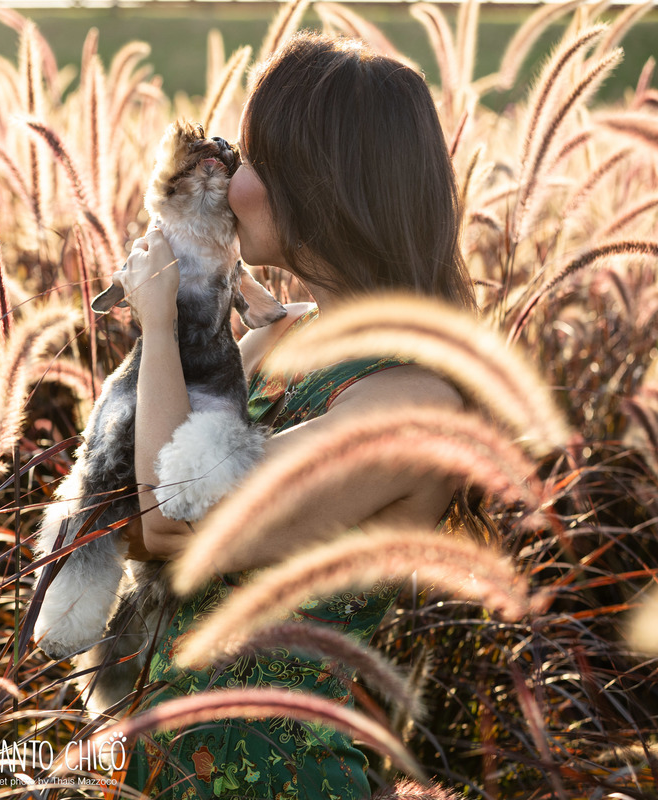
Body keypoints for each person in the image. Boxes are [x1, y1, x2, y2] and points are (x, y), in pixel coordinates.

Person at [114, 32, 479, 799]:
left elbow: (169, 519)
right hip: (165, 765)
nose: (226, 178)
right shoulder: (285, 335)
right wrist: (197, 317)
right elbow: (130, 502)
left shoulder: (412, 405)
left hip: (278, 778)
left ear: (318, 184)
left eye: (246, 158)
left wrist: (163, 326)